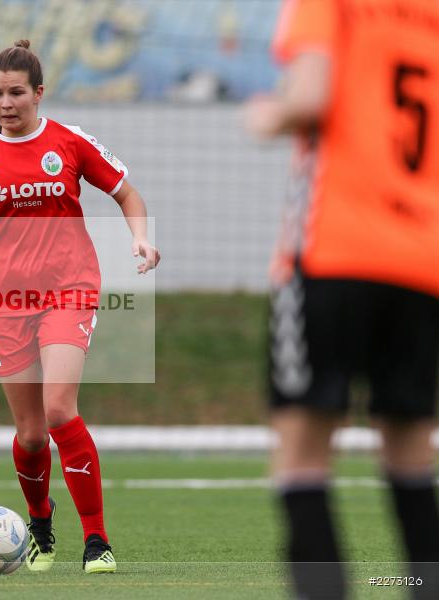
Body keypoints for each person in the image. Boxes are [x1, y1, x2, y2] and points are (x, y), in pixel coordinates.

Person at [0, 40, 159, 574]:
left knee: (59, 410)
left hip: (67, 289)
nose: (5, 103)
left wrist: (141, 240)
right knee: (31, 434)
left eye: (15, 93)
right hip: (4, 300)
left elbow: (128, 195)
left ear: (38, 93)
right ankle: (40, 520)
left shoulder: (68, 142)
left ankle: (97, 541)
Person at [246, 0, 439, 597]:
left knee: (302, 444)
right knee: (408, 448)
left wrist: (267, 115)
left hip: (335, 250)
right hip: (422, 259)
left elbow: (311, 95)